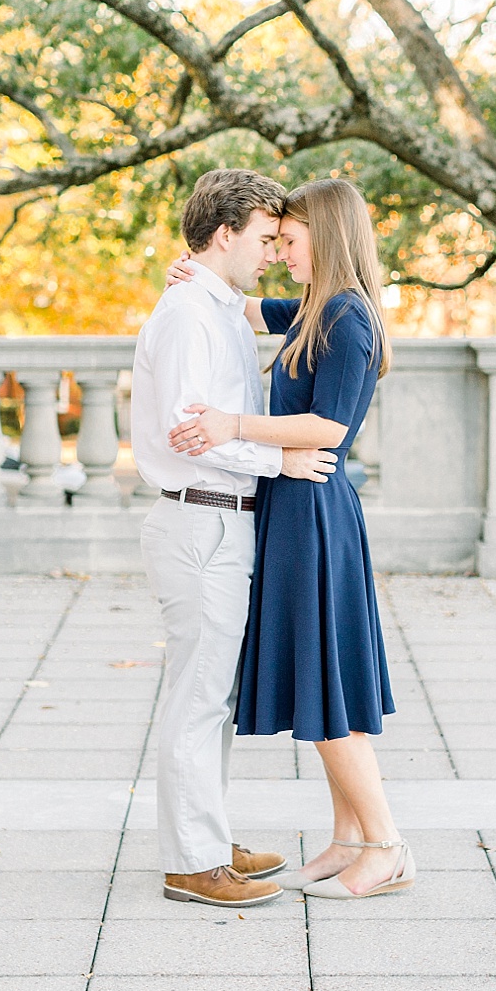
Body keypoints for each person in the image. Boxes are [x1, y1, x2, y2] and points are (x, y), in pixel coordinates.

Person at [166, 177, 412, 900]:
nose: (279, 252)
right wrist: (196, 273)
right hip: (295, 507)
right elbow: (243, 304)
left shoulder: (347, 318)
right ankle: (348, 839)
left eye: (290, 240)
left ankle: (387, 846)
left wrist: (231, 425)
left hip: (315, 511)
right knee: (321, 682)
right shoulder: (312, 308)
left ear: (326, 237)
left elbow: (329, 427)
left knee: (326, 686)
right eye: (272, 240)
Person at [130, 168, 339, 909]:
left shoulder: (215, 305)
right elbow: (189, 432)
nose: (274, 252)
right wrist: (280, 460)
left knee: (211, 696)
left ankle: (208, 842)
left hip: (220, 518)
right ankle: (192, 861)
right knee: (198, 697)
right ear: (225, 234)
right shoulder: (190, 315)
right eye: (264, 237)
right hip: (201, 517)